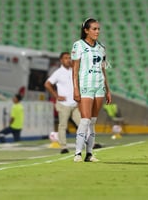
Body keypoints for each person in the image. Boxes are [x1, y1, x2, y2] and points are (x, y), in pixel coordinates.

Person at [71, 18, 111, 162]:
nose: (97, 31)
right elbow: (75, 71)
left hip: (99, 87)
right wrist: (76, 89)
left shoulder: (101, 47)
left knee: (93, 121)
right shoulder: (78, 45)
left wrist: (108, 89)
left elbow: (103, 69)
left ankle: (89, 153)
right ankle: (77, 153)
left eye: (98, 29)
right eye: (94, 29)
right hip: (85, 86)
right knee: (85, 120)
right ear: (86, 30)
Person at [45, 52, 81, 154]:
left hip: (74, 104)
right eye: (66, 58)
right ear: (61, 60)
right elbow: (47, 84)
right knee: (63, 126)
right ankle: (63, 147)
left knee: (82, 124)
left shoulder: (73, 71)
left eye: (69, 58)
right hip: (64, 104)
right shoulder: (58, 72)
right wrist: (56, 96)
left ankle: (91, 143)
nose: (68, 60)